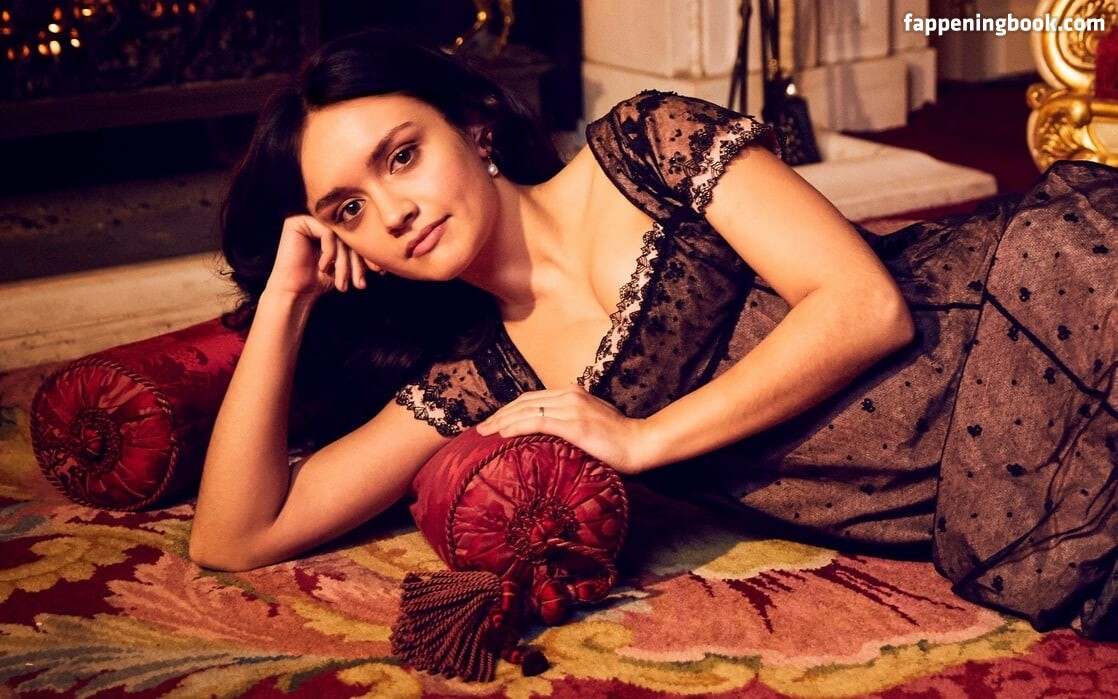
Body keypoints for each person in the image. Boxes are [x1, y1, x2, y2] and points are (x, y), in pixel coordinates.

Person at [189, 28, 1117, 641]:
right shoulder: (481, 381)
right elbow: (234, 536)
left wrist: (643, 438)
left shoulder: (645, 145)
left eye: (402, 155)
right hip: (972, 496)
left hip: (1030, 315)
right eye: (348, 209)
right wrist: (285, 300)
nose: (393, 210)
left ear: (474, 127)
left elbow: (865, 305)